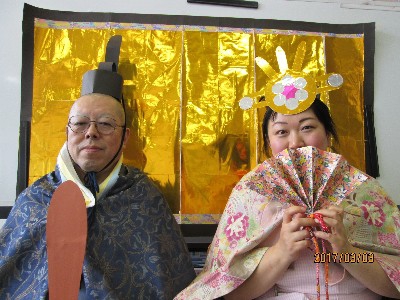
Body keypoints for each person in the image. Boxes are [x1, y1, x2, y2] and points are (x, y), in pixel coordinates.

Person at [175, 43, 400, 300]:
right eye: (282, 131)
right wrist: (283, 250)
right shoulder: (251, 193)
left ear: (327, 134)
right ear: (268, 143)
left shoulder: (363, 190)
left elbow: (394, 287)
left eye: (307, 127)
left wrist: (344, 250)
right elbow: (228, 294)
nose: (295, 143)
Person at [0, 36, 195, 299]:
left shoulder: (144, 198)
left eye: (105, 124)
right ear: (67, 132)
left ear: (125, 138)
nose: (91, 133)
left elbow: (171, 283)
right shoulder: (36, 199)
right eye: (80, 123)